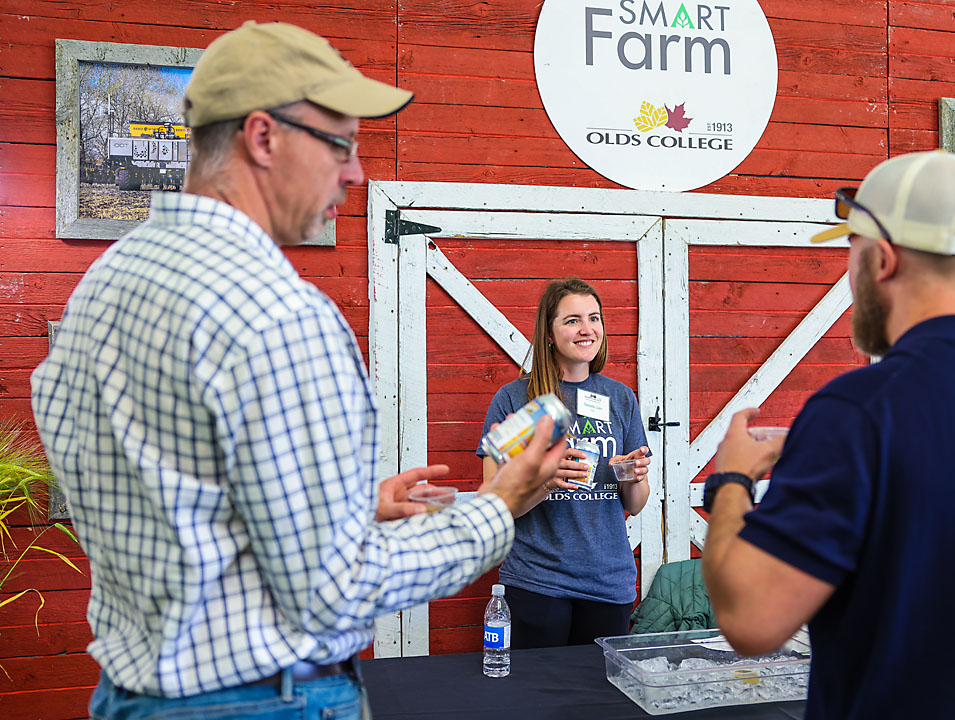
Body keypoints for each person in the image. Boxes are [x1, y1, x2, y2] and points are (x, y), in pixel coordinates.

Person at [30, 21, 564, 720]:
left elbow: (168, 505)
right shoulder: (276, 311)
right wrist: (497, 508)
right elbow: (332, 592)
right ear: (263, 138)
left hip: (133, 697)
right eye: (341, 144)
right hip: (264, 702)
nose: (356, 172)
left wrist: (346, 512)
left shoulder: (104, 286)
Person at [700, 151, 955, 718]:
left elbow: (751, 620)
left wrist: (731, 480)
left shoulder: (857, 413)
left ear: (882, 260)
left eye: (851, 255)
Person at [476, 278, 651, 648]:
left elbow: (634, 505)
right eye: (572, 320)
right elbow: (493, 505)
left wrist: (631, 475)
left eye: (594, 318)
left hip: (609, 581)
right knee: (536, 698)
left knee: (601, 700)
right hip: (536, 581)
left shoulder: (620, 398)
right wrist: (547, 482)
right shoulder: (514, 400)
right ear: (549, 334)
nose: (587, 329)